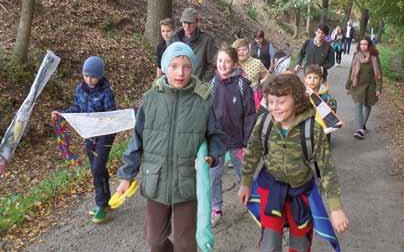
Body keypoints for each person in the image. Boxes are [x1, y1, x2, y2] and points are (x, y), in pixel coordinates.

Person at [116, 42, 224, 252]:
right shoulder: (151, 99)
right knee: (155, 241)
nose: (180, 73)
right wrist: (126, 176)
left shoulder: (203, 100)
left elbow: (216, 136)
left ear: (192, 68)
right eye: (174, 66)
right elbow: (136, 140)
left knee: (185, 245)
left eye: (186, 66)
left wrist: (212, 155)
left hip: (188, 182)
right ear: (165, 67)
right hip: (156, 180)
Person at [238, 73, 349, 251]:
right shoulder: (265, 122)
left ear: (297, 100)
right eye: (271, 101)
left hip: (301, 193)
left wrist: (335, 208)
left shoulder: (312, 129)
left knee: (300, 243)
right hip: (271, 190)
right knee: (269, 243)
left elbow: (327, 168)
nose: (275, 107)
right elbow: (252, 152)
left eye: (281, 102)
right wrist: (245, 182)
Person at [61, 56, 116, 223]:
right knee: (97, 168)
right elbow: (77, 108)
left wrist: (102, 121)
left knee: (97, 168)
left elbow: (111, 114)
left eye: (92, 76)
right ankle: (105, 200)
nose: (89, 79)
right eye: (86, 75)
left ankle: (100, 204)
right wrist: (63, 114)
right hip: (88, 135)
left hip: (104, 136)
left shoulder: (106, 91)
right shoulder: (80, 89)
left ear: (100, 76)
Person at [210, 45, 257, 226]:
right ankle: (216, 207)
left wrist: (246, 142)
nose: (223, 64)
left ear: (235, 63)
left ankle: (253, 202)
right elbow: (207, 113)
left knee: (244, 174)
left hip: (238, 141)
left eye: (227, 61)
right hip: (217, 142)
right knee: (214, 176)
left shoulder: (242, 85)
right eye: (220, 60)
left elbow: (250, 115)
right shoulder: (211, 84)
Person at [345, 37, 382, 139]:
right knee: (358, 105)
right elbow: (351, 71)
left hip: (371, 85)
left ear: (369, 45)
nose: (363, 46)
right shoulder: (356, 56)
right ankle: (360, 129)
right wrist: (348, 85)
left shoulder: (374, 57)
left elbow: (379, 73)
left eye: (365, 44)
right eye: (361, 44)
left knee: (368, 105)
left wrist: (379, 88)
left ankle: (363, 124)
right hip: (358, 85)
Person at [171, 7, 217, 81]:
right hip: (177, 82)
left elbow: (213, 64)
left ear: (197, 22)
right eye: (184, 22)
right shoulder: (175, 38)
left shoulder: (207, 40)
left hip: (197, 86)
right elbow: (169, 62)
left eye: (190, 23)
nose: (187, 26)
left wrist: (202, 82)